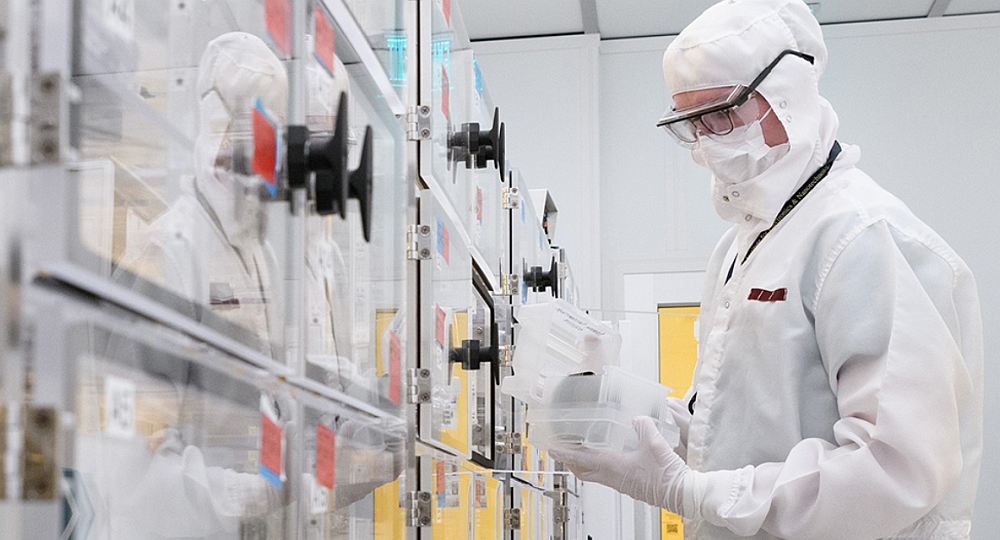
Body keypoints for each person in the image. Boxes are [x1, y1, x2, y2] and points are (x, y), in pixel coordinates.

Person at [551, 1, 984, 539]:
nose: (708, 140)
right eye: (692, 123)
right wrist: (630, 413)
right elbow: (741, 433)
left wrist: (687, 491)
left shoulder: (864, 236)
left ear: (787, 92)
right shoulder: (740, 246)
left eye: (723, 113)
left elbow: (895, 472)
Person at [116, 31, 286, 361]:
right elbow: (144, 405)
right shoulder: (166, 250)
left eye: (268, 140)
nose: (255, 157)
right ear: (214, 129)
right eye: (241, 135)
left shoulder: (264, 257)